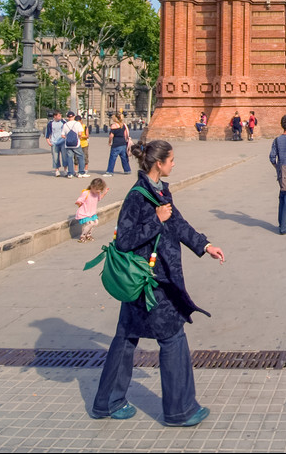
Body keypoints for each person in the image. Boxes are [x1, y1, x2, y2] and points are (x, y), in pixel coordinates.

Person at [90, 139, 225, 427]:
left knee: (126, 338)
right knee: (173, 339)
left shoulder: (160, 190)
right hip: (151, 282)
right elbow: (124, 240)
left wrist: (205, 245)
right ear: (158, 164)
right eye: (171, 160)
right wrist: (154, 219)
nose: (174, 164)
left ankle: (107, 402)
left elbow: (177, 223)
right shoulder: (137, 196)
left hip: (147, 281)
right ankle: (180, 410)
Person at [75, 177, 109, 242]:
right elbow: (80, 200)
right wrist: (78, 202)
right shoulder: (86, 193)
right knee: (90, 223)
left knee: (96, 222)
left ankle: (88, 234)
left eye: (100, 190)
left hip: (92, 213)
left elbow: (99, 199)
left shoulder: (97, 193)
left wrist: (104, 193)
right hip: (84, 212)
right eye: (96, 189)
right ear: (92, 186)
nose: (98, 191)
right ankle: (82, 236)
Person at [61, 112, 86, 178]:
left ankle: (70, 173)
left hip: (68, 144)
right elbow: (80, 133)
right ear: (74, 116)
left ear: (67, 117)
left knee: (69, 158)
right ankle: (81, 172)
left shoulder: (65, 124)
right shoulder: (77, 123)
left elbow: (62, 135)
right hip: (76, 144)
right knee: (80, 156)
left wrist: (68, 137)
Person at [45, 111, 65, 177]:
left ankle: (65, 170)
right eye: (59, 116)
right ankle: (57, 170)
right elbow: (48, 133)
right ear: (55, 116)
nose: (60, 117)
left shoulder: (63, 122)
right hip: (54, 142)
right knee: (55, 157)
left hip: (62, 141)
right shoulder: (50, 123)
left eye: (60, 116)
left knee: (64, 156)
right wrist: (48, 142)